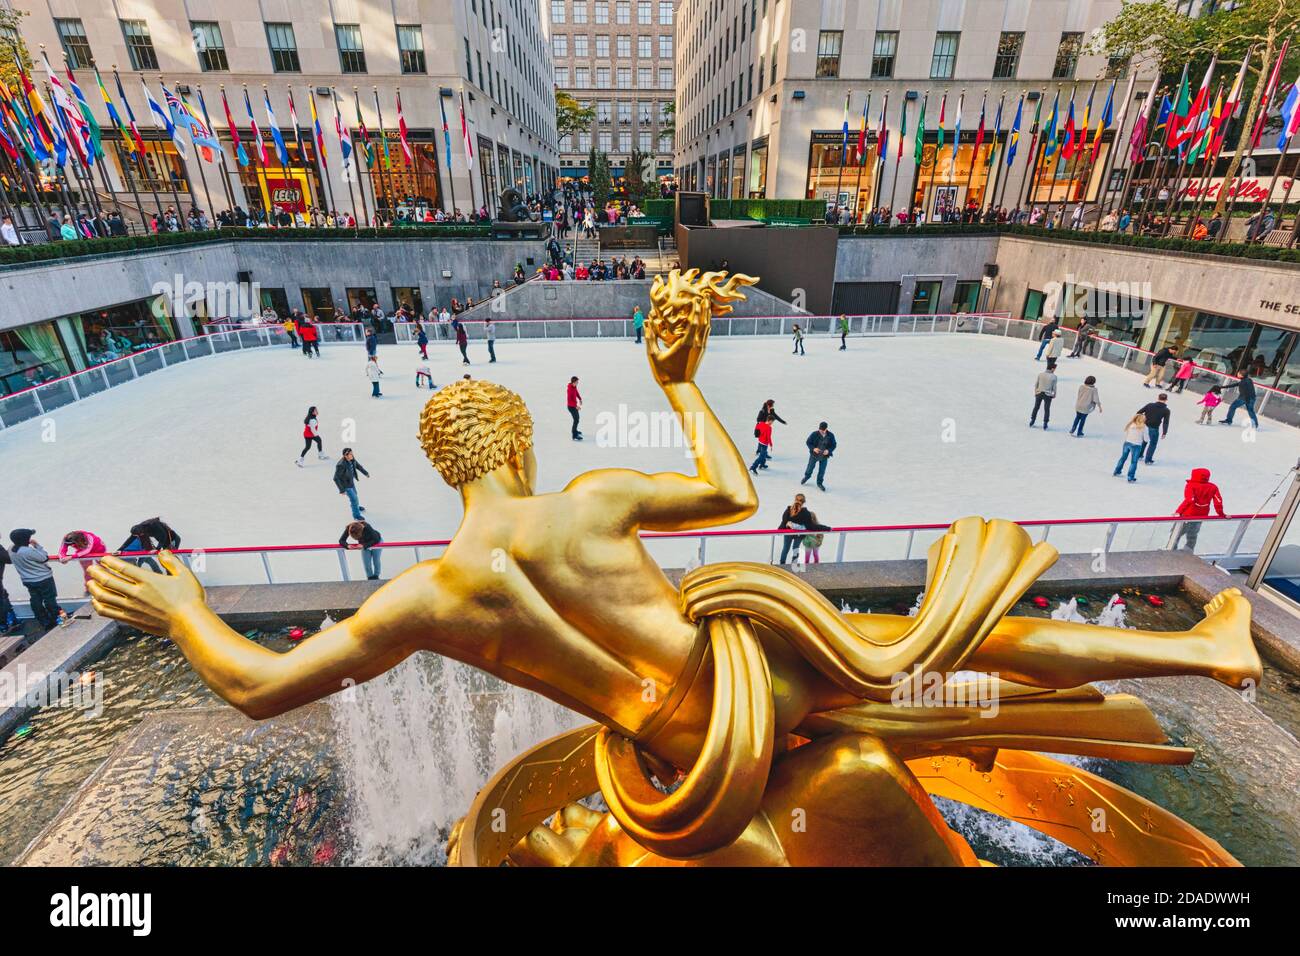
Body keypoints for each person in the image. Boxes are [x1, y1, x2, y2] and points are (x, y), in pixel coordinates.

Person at [9, 530, 64, 631]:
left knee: (36, 599)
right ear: (25, 540)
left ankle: (43, 620)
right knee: (49, 598)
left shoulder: (11, 549)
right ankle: (57, 616)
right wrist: (37, 546)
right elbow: (44, 557)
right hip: (43, 579)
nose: (30, 539)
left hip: (27, 580)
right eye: (29, 537)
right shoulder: (27, 551)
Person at [1173, 468, 1225, 551]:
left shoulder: (1191, 485)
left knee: (1176, 533)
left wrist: (1178, 512)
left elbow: (1190, 499)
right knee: (1193, 533)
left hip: (1187, 515)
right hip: (1201, 515)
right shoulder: (1213, 487)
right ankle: (1189, 549)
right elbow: (1218, 501)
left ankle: (1171, 549)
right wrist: (1221, 514)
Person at [334, 448, 370, 519]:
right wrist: (342, 490)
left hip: (351, 482)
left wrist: (365, 473)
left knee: (355, 495)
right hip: (345, 485)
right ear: (345, 455)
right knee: (354, 499)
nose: (352, 455)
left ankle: (356, 507)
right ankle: (356, 515)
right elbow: (336, 478)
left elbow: (358, 466)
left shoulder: (352, 459)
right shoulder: (340, 465)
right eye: (350, 454)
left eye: (352, 453)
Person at [801, 421, 837, 491]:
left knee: (822, 470)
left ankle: (819, 483)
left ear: (826, 429)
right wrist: (814, 448)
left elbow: (834, 445)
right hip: (814, 455)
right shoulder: (814, 434)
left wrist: (828, 451)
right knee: (810, 467)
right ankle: (806, 477)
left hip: (824, 456)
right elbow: (808, 442)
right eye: (820, 430)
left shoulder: (831, 435)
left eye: (823, 430)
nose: (821, 431)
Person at [1113, 412, 1148, 483]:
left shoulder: (1131, 424)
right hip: (1136, 445)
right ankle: (1130, 477)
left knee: (1123, 458)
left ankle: (1117, 471)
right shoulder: (1144, 427)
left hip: (1127, 443)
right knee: (1134, 462)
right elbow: (1146, 439)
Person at [1137, 393, 1171, 464]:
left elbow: (1139, 413)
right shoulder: (1166, 410)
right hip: (1154, 428)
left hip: (1145, 426)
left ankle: (1139, 455)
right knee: (1152, 444)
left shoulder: (1150, 405)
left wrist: (1142, 420)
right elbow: (1166, 422)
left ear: (1158, 398)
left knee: (1144, 441)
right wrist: (1164, 432)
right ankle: (1148, 460)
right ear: (1166, 400)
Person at [1030, 360, 1058, 430]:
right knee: (1047, 409)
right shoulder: (1054, 377)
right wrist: (1054, 394)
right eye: (1054, 369)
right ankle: (1045, 423)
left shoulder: (1040, 374)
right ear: (1052, 368)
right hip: (1048, 395)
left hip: (1039, 393)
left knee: (1036, 407)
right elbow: (1054, 387)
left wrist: (1036, 391)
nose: (1054, 370)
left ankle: (1032, 420)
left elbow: (1036, 384)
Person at [567, 375, 583, 440]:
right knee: (576, 420)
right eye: (576, 382)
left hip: (574, 406)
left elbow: (576, 392)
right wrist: (576, 406)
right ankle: (574, 435)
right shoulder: (569, 390)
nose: (577, 383)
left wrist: (580, 398)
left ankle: (575, 430)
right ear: (573, 382)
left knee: (577, 419)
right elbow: (570, 401)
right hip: (571, 407)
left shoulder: (574, 387)